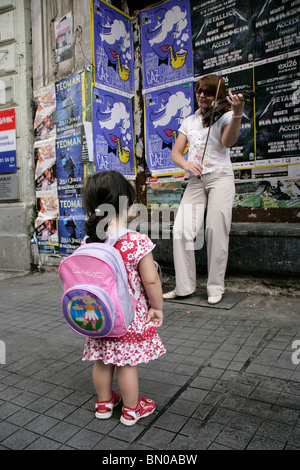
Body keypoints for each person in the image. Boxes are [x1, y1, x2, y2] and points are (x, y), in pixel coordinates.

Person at [82, 171, 166, 426]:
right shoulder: (136, 242)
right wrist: (157, 308)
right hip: (128, 317)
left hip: (99, 315)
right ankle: (131, 410)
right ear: (126, 203)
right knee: (126, 363)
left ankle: (104, 404)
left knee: (102, 359)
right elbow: (151, 280)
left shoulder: (90, 240)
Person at [163, 74, 245, 305]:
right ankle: (184, 286)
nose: (201, 95)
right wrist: (186, 164)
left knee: (215, 229)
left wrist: (237, 113)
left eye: (208, 92)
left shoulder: (226, 114)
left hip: (220, 177)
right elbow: (176, 153)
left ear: (217, 95)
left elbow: (228, 142)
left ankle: (215, 287)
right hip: (196, 180)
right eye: (199, 90)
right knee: (181, 229)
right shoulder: (189, 121)